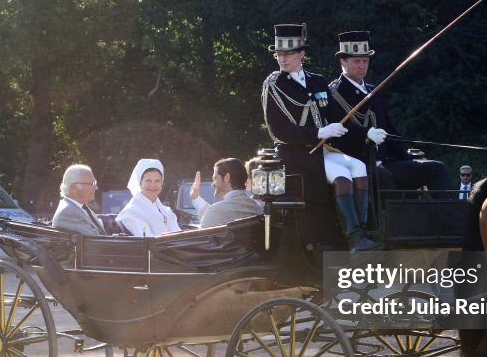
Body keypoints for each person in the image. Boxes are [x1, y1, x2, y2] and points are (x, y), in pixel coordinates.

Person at [262, 24, 381, 251]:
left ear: (302, 55)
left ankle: (363, 231)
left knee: (359, 168)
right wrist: (317, 133)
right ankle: (354, 239)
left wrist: (365, 132)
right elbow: (277, 131)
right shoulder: (274, 85)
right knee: (342, 175)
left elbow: (336, 116)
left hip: (324, 150)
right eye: (279, 54)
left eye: (288, 54)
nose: (283, 59)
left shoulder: (317, 80)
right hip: (297, 154)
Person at [327, 31, 453, 198]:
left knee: (436, 168)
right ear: (342, 61)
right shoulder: (333, 94)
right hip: (358, 166)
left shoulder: (373, 90)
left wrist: (406, 159)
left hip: (387, 162)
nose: (362, 66)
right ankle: (395, 224)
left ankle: (450, 219)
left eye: (365, 61)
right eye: (356, 61)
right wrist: (365, 134)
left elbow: (389, 129)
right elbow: (337, 132)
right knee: (385, 179)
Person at [188, 158, 262, 228]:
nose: (212, 184)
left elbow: (202, 239)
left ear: (227, 177)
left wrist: (196, 198)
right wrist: (195, 197)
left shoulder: (215, 211)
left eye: (215, 178)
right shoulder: (258, 209)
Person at [116, 159, 180, 236]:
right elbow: (149, 243)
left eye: (157, 181)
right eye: (148, 181)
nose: (153, 185)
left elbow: (179, 238)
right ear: (140, 183)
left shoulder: (167, 212)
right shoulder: (131, 213)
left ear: (161, 183)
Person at [52, 164, 106, 235]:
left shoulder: (79, 208)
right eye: (91, 184)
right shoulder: (67, 213)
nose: (96, 188)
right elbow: (97, 242)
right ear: (74, 187)